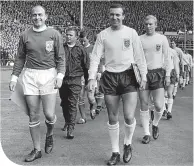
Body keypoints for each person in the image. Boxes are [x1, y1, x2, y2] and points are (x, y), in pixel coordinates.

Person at [87, 4, 147, 165]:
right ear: (109, 16)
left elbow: (139, 56)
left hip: (128, 76)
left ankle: (127, 143)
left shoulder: (131, 33)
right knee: (112, 117)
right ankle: (115, 152)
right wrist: (92, 77)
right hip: (110, 77)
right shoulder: (103, 35)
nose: (115, 17)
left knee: (128, 116)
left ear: (123, 16)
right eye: (112, 15)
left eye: (118, 15)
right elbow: (95, 57)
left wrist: (144, 76)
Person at [9, 5, 65, 162]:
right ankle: (37, 149)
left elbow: (61, 57)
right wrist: (14, 77)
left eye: (40, 15)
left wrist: (60, 75)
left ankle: (50, 133)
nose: (37, 17)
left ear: (46, 16)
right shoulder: (25, 35)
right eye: (34, 15)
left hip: (49, 75)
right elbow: (20, 58)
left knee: (49, 114)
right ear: (31, 17)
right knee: (33, 115)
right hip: (30, 76)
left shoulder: (54, 34)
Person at [139, 15, 171, 144]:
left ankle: (155, 124)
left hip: (157, 73)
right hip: (144, 75)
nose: (148, 26)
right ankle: (146, 133)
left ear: (156, 25)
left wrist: (168, 75)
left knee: (158, 105)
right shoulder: (139, 39)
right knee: (144, 104)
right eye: (146, 24)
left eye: (151, 24)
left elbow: (167, 57)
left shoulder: (162, 39)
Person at [59, 27, 89, 139]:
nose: (68, 36)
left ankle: (71, 127)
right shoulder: (61, 48)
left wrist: (86, 80)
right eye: (67, 34)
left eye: (71, 35)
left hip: (76, 79)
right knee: (64, 102)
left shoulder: (81, 49)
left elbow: (86, 66)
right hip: (63, 78)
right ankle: (67, 120)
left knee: (72, 103)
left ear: (76, 37)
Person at [163, 39, 180, 119]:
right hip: (161, 72)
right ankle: (165, 109)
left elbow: (176, 63)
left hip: (170, 72)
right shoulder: (160, 51)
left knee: (168, 92)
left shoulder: (173, 52)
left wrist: (177, 74)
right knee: (163, 93)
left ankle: (168, 111)